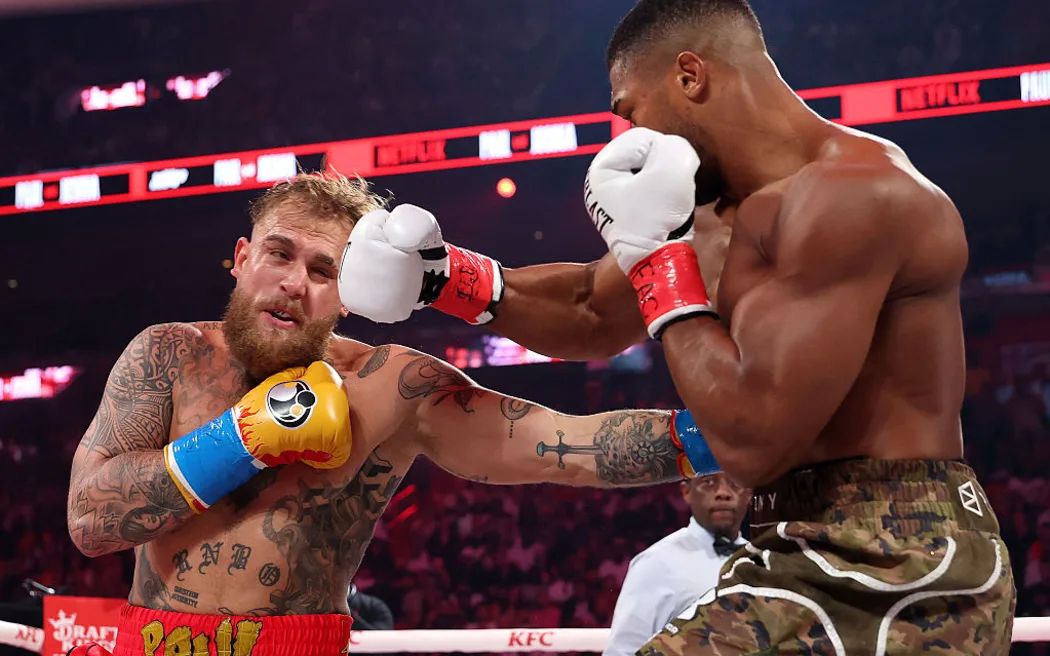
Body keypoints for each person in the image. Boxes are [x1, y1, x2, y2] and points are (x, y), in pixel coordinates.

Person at [337, 1, 1016, 652]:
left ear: (690, 76)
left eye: (631, 112)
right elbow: (590, 308)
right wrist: (443, 278)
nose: (630, 137)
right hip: (793, 536)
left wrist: (660, 262)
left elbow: (753, 440)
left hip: (896, 555)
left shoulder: (854, 196)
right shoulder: (716, 215)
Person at [65, 172, 715, 656]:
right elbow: (91, 521)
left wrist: (736, 435)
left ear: (351, 294)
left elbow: (569, 446)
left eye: (324, 270)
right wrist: (240, 440)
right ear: (241, 258)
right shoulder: (168, 355)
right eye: (279, 253)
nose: (294, 282)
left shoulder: (392, 388)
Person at [605, 473, 750, 656]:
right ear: (687, 491)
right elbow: (623, 651)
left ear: (749, 494)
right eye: (708, 482)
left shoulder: (762, 561)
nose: (723, 493)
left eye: (734, 483)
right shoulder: (656, 562)